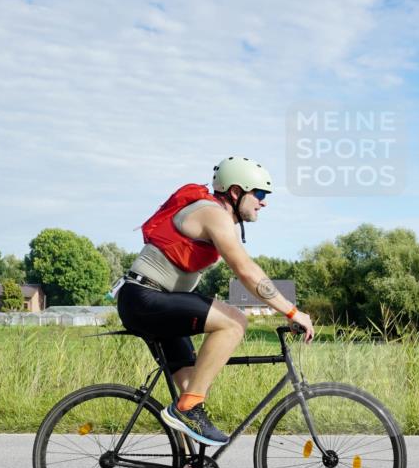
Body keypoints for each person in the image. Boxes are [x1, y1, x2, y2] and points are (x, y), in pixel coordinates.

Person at [116, 157, 315, 446]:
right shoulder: (212, 214)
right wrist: (292, 311)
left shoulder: (219, 218)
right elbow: (246, 271)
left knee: (188, 390)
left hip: (155, 301)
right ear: (236, 192)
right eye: (259, 194)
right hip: (145, 298)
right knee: (234, 322)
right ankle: (186, 409)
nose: (263, 202)